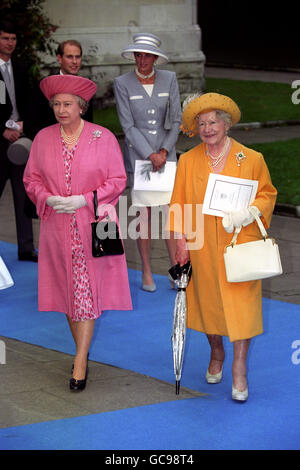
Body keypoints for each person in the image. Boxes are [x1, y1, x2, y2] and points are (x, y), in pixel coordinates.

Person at [23, 74, 132, 391]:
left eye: (67, 104)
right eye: (56, 104)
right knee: (69, 293)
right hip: (57, 226)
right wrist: (47, 198)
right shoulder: (42, 138)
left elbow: (116, 180)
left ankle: (80, 360)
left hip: (97, 224)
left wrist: (83, 199)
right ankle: (81, 353)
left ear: (81, 106)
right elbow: (31, 180)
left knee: (86, 291)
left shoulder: (103, 137)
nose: (61, 109)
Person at [168, 92, 277, 401]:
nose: (208, 128)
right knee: (208, 305)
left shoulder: (252, 158)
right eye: (201, 123)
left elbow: (267, 194)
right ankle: (216, 352)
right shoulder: (188, 161)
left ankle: (238, 367)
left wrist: (251, 211)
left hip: (239, 244)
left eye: (214, 121)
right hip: (201, 245)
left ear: (226, 124)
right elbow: (178, 206)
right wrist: (180, 243)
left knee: (242, 305)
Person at [114, 33, 182, 292]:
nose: (142, 60)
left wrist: (164, 150)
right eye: (138, 55)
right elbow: (127, 124)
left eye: (147, 55)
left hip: (167, 158)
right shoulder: (122, 83)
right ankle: (146, 269)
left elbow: (176, 120)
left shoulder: (170, 79)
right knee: (143, 216)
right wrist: (149, 154)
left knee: (170, 217)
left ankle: (176, 269)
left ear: (155, 58)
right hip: (139, 160)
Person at [0, 20, 37, 262]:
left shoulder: (22, 68)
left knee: (23, 195)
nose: (10, 43)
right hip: (0, 141)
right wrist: (1, 130)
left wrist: (25, 126)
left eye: (13, 39)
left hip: (21, 143)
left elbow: (32, 103)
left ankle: (26, 248)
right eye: (5, 38)